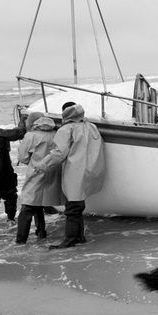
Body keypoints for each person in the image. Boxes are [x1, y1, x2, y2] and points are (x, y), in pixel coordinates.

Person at [38, 103, 105, 249]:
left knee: (72, 208)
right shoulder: (91, 127)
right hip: (90, 170)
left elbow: (59, 153)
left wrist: (42, 165)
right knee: (78, 205)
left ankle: (70, 240)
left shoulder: (66, 129)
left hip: (75, 171)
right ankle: (79, 237)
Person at [15, 115, 64, 244]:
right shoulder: (57, 134)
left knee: (27, 206)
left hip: (36, 173)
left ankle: (20, 241)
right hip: (53, 172)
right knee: (39, 202)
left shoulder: (31, 136)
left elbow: (22, 157)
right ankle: (41, 233)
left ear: (32, 122)